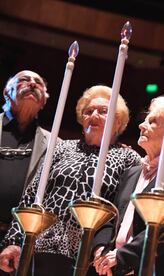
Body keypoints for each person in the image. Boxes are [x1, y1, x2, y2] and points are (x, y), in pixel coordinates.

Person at [0, 85, 140, 275]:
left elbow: (124, 211)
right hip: (40, 248)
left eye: (103, 111)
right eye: (88, 111)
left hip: (89, 255)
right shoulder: (62, 148)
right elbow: (32, 195)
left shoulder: (128, 158)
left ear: (118, 122)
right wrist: (14, 241)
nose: (94, 115)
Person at [92, 96, 164, 276]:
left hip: (150, 268)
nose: (141, 125)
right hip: (112, 268)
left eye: (152, 121)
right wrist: (100, 250)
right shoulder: (131, 173)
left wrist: (123, 256)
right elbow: (112, 216)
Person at [0, 70, 52, 275]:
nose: (32, 84)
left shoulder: (54, 144)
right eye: (24, 80)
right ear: (6, 92)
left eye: (38, 82)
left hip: (18, 243)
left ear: (44, 101)